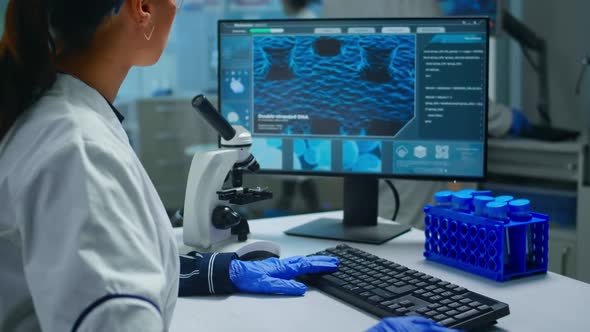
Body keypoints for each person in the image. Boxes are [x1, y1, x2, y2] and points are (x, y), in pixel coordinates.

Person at [0, 1, 455, 331]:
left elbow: (99, 270)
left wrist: (219, 271)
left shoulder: (59, 116)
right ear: (141, 9)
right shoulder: (78, 150)